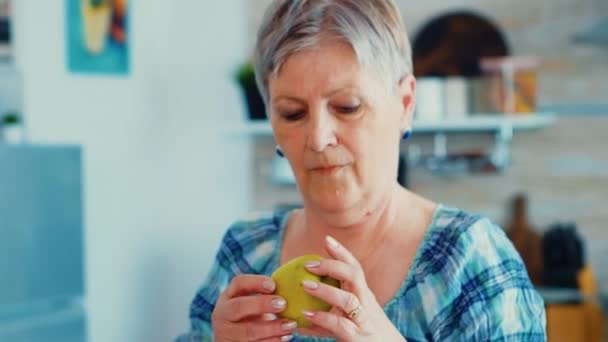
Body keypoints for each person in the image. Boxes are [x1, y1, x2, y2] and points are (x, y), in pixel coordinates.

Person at [177, 0, 546, 341]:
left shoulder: (468, 260)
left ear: (404, 104)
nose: (318, 138)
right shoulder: (246, 252)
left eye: (348, 106)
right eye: (292, 113)